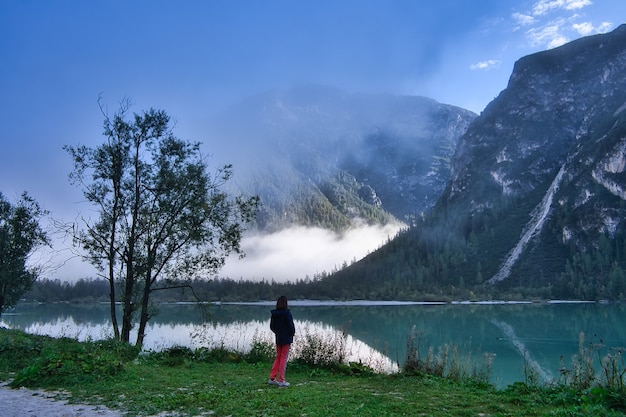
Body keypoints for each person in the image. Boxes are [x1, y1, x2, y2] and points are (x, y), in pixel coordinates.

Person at [268, 295, 295, 387]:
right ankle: (281, 380)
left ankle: (272, 378)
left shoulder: (274, 314)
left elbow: (272, 327)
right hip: (286, 338)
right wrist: (291, 334)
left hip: (278, 338)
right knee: (283, 358)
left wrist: (278, 332)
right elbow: (291, 326)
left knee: (278, 357)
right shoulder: (287, 313)